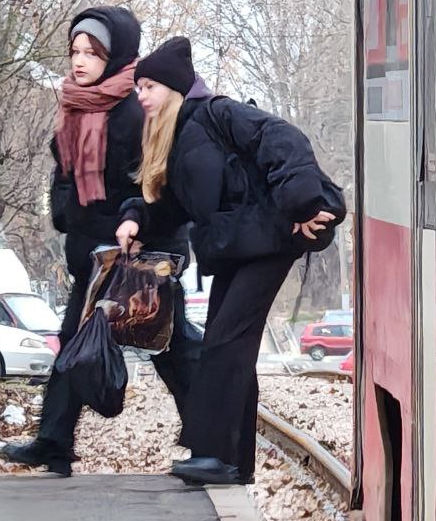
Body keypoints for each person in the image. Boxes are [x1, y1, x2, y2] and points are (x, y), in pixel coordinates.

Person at [117, 37, 336, 486]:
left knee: (226, 342)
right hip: (236, 246)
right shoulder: (176, 143)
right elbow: (174, 206)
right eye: (138, 87)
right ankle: (233, 461)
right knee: (224, 341)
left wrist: (301, 203)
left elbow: (281, 136)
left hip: (271, 239)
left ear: (174, 89)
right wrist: (135, 217)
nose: (141, 96)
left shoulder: (217, 114)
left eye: (149, 86)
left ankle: (216, 456)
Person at [1, 7, 201, 477]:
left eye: (92, 52)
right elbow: (64, 175)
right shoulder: (73, 106)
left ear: (116, 57)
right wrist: (67, 213)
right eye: (74, 50)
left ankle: (212, 439)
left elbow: (153, 184)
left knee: (169, 344)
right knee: (75, 340)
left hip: (142, 252)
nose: (80, 61)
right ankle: (53, 442)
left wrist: (129, 227)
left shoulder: (136, 108)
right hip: (93, 254)